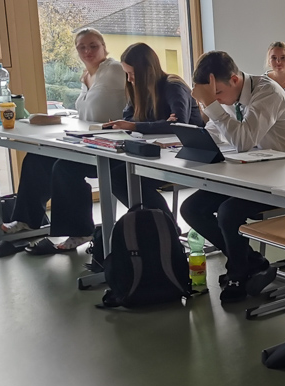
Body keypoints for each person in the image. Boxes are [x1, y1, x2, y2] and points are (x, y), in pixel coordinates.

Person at [38, 43, 202, 252]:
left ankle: (166, 228)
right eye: (127, 74)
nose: (130, 79)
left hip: (176, 158)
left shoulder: (173, 86)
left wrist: (138, 125)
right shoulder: (137, 88)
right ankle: (80, 231)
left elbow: (179, 125)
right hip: (139, 152)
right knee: (65, 167)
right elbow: (128, 117)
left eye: (132, 74)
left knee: (120, 176)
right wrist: (141, 124)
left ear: (146, 71)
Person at [183, 50, 285, 302]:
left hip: (281, 180)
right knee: (191, 209)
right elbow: (215, 131)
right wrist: (188, 141)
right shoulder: (230, 97)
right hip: (247, 175)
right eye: (213, 97)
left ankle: (238, 272)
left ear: (235, 80)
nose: (218, 100)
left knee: (229, 212)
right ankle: (252, 262)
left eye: (218, 94)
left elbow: (243, 141)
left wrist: (212, 105)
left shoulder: (267, 93)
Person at [0, 28, 126, 240]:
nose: (87, 51)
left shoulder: (113, 69)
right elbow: (89, 112)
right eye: (82, 47)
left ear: (104, 47)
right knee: (36, 159)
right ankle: (27, 220)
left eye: (93, 46)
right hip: (85, 141)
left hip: (110, 146)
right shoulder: (86, 76)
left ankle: (80, 232)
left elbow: (136, 93)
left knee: (64, 168)